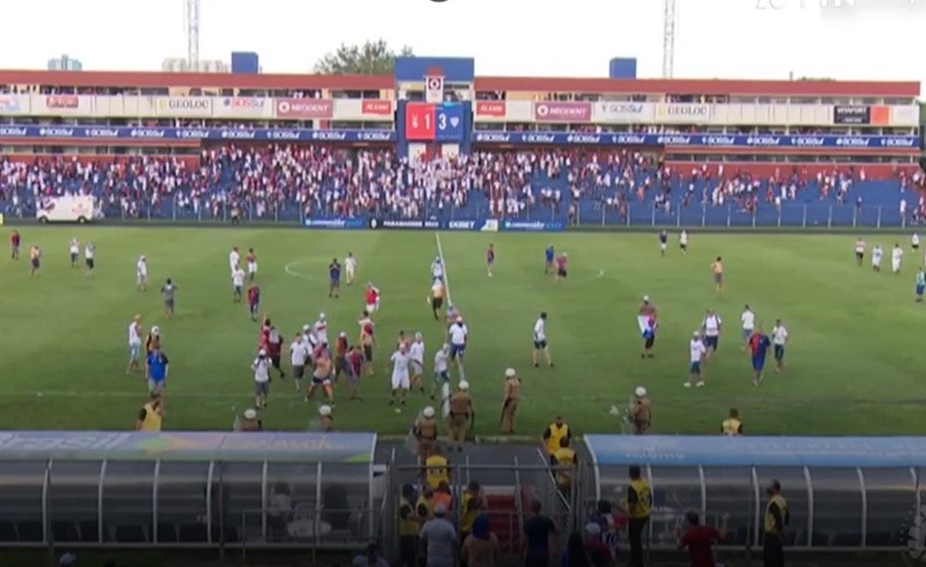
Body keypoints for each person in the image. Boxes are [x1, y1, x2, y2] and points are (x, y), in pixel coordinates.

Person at [624, 465, 651, 567]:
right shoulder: (645, 483)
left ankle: (636, 563)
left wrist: (629, 514)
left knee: (634, 540)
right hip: (645, 513)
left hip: (636, 516)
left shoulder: (633, 486)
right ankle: (637, 562)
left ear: (630, 474)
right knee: (637, 539)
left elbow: (632, 504)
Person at [521, 500, 558, 567]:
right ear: (540, 509)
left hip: (533, 553)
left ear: (531, 508)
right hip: (544, 553)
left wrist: (521, 552)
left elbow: (525, 540)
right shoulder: (547, 521)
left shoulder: (529, 523)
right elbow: (556, 532)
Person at [420, 502, 457, 567]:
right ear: (444, 513)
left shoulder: (427, 525)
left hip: (431, 559)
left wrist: (422, 552)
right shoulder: (449, 526)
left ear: (434, 513)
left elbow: (422, 540)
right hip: (446, 560)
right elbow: (454, 541)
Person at [764, 480, 789, 567]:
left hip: (771, 534)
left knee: (771, 561)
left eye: (771, 487)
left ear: (775, 489)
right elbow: (787, 517)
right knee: (778, 561)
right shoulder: (782, 500)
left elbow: (776, 516)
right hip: (777, 537)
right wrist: (783, 529)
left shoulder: (774, 502)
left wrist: (779, 529)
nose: (768, 489)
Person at [398, 484, 425, 567]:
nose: (414, 495)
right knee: (409, 558)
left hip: (409, 535)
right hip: (407, 535)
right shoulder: (403, 504)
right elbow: (408, 516)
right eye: (412, 492)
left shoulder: (405, 502)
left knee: (411, 557)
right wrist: (423, 520)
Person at [448, 380, 473, 451]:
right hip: (463, 415)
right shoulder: (468, 397)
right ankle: (460, 445)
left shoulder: (455, 396)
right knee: (462, 431)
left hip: (454, 415)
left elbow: (450, 403)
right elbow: (471, 407)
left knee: (451, 430)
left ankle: (450, 444)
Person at [501, 368, 521, 434]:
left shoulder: (509, 383)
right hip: (516, 400)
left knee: (508, 415)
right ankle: (512, 428)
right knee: (513, 415)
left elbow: (507, 393)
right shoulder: (517, 381)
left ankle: (507, 429)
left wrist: (504, 402)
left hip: (510, 400)